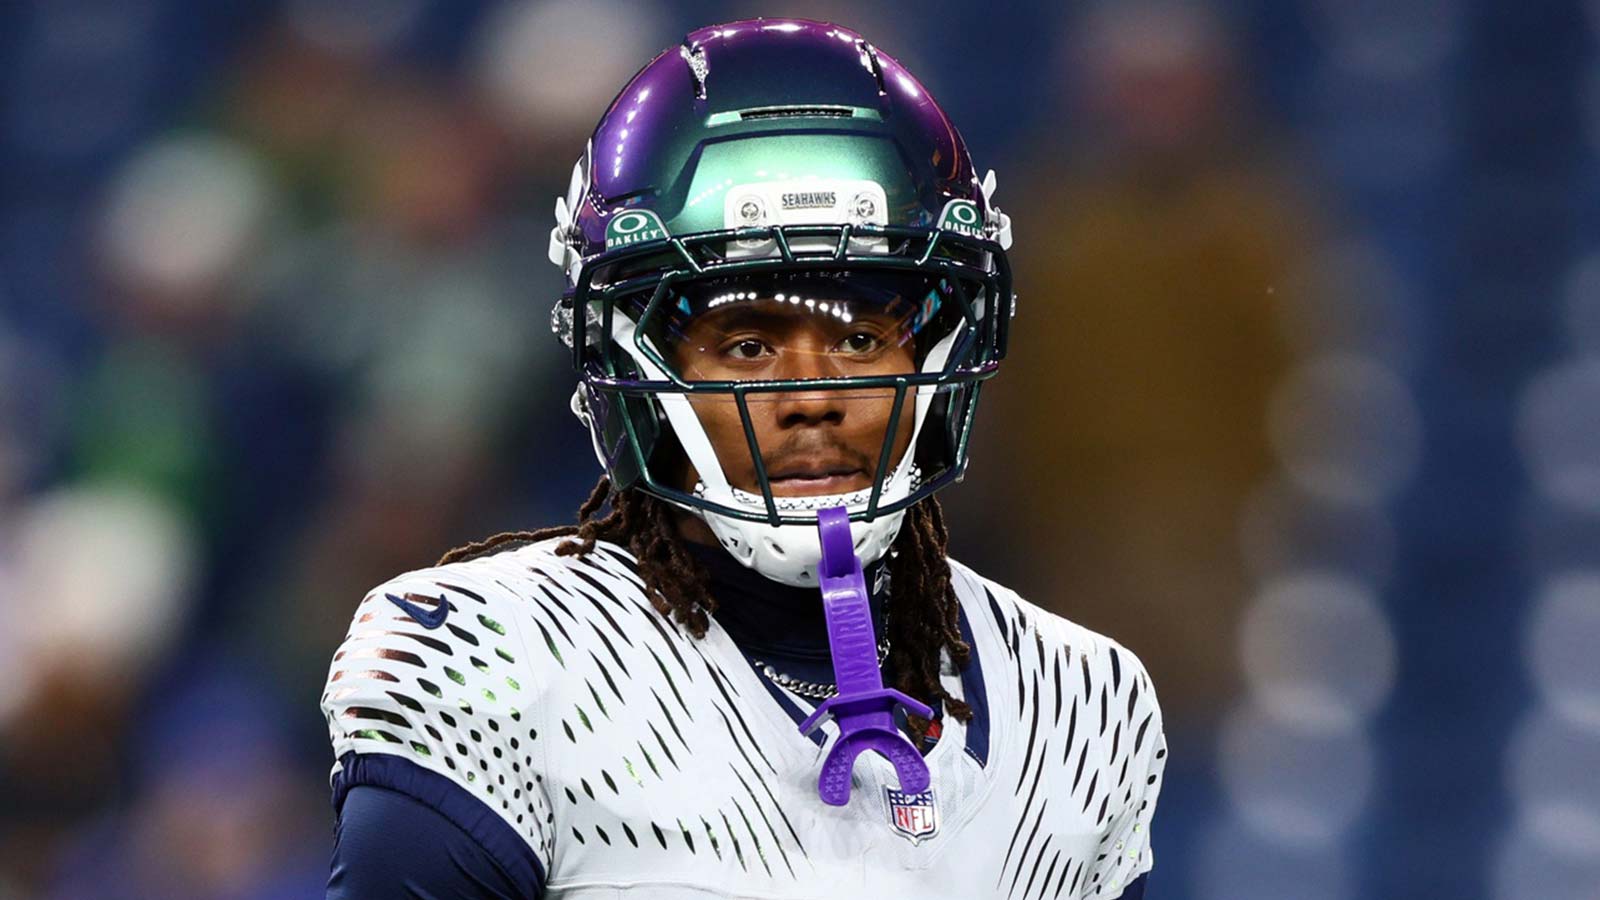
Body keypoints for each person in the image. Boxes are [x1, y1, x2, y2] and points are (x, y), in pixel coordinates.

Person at [322, 18, 1165, 899]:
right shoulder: (493, 658)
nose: (813, 395)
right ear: (629, 368)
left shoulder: (1081, 701)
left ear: (940, 356)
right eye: (750, 345)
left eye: (861, 336)